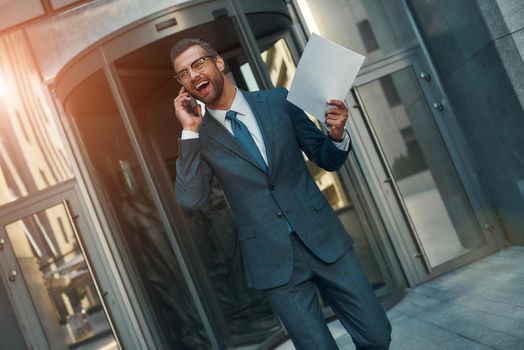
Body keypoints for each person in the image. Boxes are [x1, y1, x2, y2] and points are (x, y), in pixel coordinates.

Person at [172, 38, 391, 350]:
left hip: (324, 240)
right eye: (183, 74)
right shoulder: (200, 138)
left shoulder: (278, 101)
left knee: (376, 334)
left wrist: (337, 135)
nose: (193, 75)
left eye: (198, 64)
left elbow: (325, 157)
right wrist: (190, 130)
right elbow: (190, 200)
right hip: (274, 263)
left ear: (218, 62)